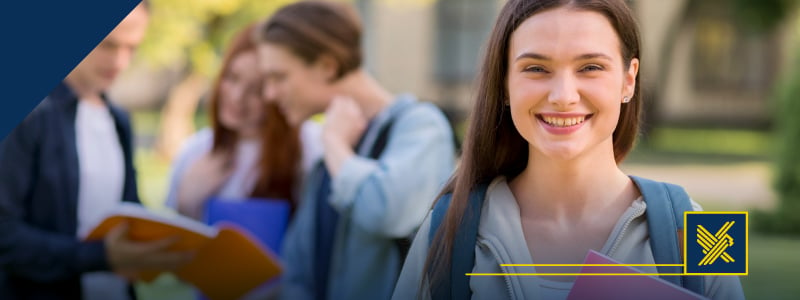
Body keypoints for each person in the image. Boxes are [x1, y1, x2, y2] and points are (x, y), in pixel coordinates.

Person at [392, 0, 745, 299]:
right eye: (536, 68)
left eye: (590, 67)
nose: (563, 96)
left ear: (629, 79)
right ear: (504, 84)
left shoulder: (706, 230)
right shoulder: (445, 225)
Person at [256, 1, 456, 299]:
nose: (268, 94)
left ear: (327, 66)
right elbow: (297, 271)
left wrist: (336, 145)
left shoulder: (421, 126)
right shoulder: (329, 159)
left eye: (279, 77)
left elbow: (388, 212)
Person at [0, 3, 192, 299]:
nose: (120, 61)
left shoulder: (119, 120)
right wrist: (99, 256)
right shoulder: (32, 115)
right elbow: (5, 235)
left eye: (132, 48)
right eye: (107, 44)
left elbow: (128, 210)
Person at [165, 23, 322, 220]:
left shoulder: (311, 147)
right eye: (232, 78)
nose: (237, 97)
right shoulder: (196, 151)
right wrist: (187, 202)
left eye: (256, 90)